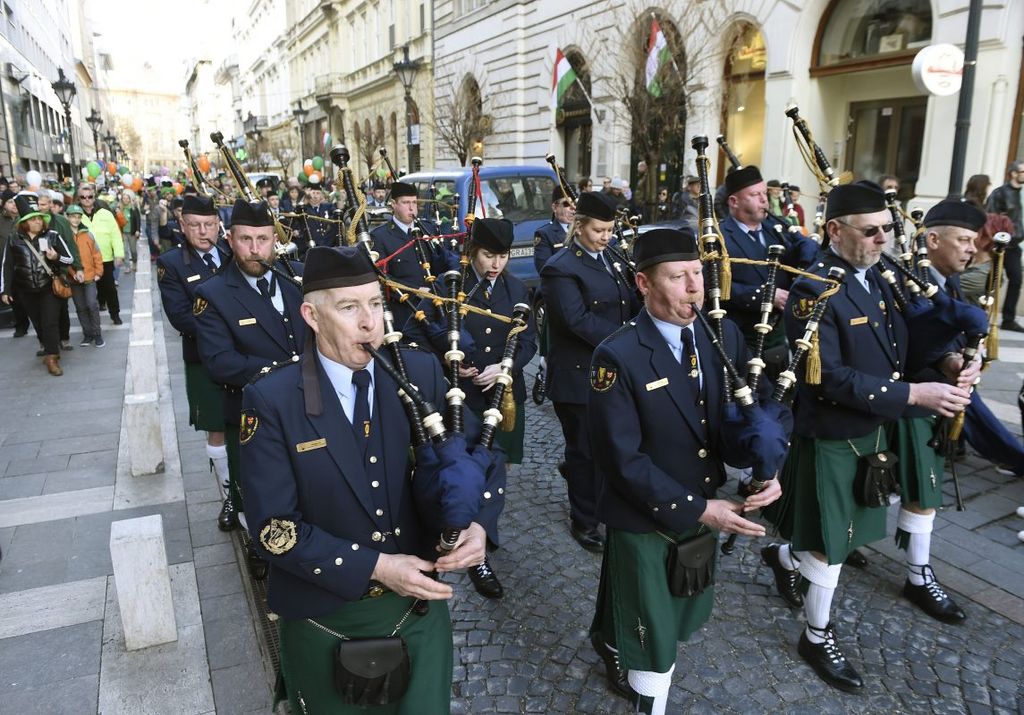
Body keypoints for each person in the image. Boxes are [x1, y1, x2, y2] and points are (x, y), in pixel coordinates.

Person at [240, 245, 502, 714]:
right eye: (349, 307)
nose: (370, 323)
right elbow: (273, 531)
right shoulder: (271, 399)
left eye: (377, 304)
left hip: (416, 611)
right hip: (324, 613)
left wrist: (479, 522)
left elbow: (479, 455)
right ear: (312, 316)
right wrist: (378, 566)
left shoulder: (418, 372)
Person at [762, 182, 974, 692]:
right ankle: (816, 635)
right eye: (871, 230)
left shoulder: (878, 278)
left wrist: (944, 362)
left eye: (888, 229)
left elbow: (903, 346)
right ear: (834, 230)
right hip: (832, 433)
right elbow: (826, 377)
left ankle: (783, 555)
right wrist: (914, 396)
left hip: (870, 430)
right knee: (832, 547)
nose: (883, 239)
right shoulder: (815, 289)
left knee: (845, 534)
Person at [587, 227, 784, 712]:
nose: (695, 286)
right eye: (678, 277)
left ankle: (609, 638)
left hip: (702, 508)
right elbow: (620, 460)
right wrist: (701, 509)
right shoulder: (617, 356)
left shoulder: (722, 335)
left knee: (675, 612)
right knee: (655, 641)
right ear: (644, 284)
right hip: (646, 516)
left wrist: (764, 467)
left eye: (697, 273)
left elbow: (732, 422)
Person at [404, 217, 537, 599]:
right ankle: (449, 544)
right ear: (471, 252)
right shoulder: (452, 286)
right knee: (459, 470)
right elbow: (420, 331)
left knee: (498, 469)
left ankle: (479, 540)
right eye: (488, 255)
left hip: (504, 396)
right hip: (461, 399)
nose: (496, 264)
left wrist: (505, 368)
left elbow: (527, 340)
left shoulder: (517, 288)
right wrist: (449, 359)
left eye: (503, 256)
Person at [194, 198, 305, 578]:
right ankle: (260, 544)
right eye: (246, 239)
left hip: (308, 404)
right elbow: (221, 363)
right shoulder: (213, 293)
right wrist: (290, 371)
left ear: (276, 240)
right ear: (230, 240)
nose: (255, 248)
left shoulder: (299, 280)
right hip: (251, 411)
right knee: (258, 488)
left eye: (263, 239)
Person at [541, 191, 642, 552]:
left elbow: (627, 302)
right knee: (584, 452)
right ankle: (584, 520)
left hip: (611, 373)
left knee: (609, 446)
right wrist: (630, 338)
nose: (606, 236)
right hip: (577, 376)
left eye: (610, 229)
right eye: (599, 230)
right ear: (579, 226)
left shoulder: (612, 259)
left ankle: (600, 500)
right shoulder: (560, 267)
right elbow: (576, 321)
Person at [157, 195, 235, 528]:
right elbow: (180, 317)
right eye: (195, 226)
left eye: (209, 225)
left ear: (219, 224)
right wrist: (230, 324)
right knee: (216, 428)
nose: (204, 232)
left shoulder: (233, 252)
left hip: (245, 354)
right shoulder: (172, 263)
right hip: (204, 359)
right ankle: (230, 496)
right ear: (182, 226)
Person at [718, 165, 818, 379]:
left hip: (780, 333)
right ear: (734, 202)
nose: (764, 199)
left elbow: (808, 246)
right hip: (742, 337)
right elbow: (715, 286)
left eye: (764, 193)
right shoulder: (720, 237)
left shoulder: (776, 228)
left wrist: (800, 271)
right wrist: (766, 296)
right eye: (755, 195)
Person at [0, 194, 77, 376]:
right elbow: (7, 266)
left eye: (40, 219)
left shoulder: (53, 236)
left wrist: (55, 257)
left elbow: (69, 258)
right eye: (33, 220)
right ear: (25, 223)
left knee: (50, 322)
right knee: (38, 322)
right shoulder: (13, 239)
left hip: (49, 288)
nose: (38, 222)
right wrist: (6, 289)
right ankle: (48, 345)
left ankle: (52, 357)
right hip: (25, 290)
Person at [369, 181, 451, 329]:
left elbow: (440, 265)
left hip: (434, 309)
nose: (412, 207)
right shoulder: (380, 236)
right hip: (404, 312)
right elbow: (381, 276)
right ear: (393, 204)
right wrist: (415, 291)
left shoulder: (427, 228)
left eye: (414, 202)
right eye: (406, 202)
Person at [77, 183, 124, 325]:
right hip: (85, 260)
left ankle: (115, 314)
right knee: (91, 291)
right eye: (83, 197)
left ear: (94, 196)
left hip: (106, 257)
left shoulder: (105, 213)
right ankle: (93, 318)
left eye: (90, 196)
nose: (87, 199)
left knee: (110, 288)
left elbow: (116, 235)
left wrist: (119, 254)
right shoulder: (75, 215)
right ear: (79, 198)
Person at [986, 160, 1024, 331]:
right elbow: (991, 217)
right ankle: (983, 311)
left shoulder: (1022, 194)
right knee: (993, 280)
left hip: (1015, 245)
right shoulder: (1000, 193)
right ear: (1014, 173)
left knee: (1016, 279)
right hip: (1000, 244)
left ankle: (1008, 319)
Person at [65, 205, 105, 347]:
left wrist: (98, 272)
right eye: (73, 216)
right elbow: (64, 258)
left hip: (89, 276)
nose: (76, 219)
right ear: (67, 217)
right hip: (74, 278)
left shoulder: (88, 234)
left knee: (92, 304)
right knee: (80, 307)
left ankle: (97, 333)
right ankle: (87, 334)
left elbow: (97, 254)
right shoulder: (64, 236)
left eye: (78, 217)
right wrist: (73, 273)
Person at [533, 186, 575, 275]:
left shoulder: (581, 230)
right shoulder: (544, 234)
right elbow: (544, 269)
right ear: (555, 208)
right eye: (566, 204)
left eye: (574, 204)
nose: (572, 209)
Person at [118, 190, 142, 275]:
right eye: (123, 198)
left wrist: (138, 230)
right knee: (124, 250)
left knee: (133, 250)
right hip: (123, 233)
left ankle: (134, 263)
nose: (125, 200)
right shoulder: (120, 209)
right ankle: (127, 266)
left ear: (129, 199)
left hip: (132, 232)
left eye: (126, 198)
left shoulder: (133, 208)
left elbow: (138, 220)